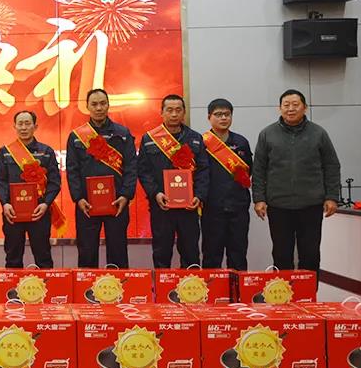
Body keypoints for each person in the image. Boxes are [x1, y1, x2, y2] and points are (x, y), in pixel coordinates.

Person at [252, 89, 341, 272]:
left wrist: (332, 196)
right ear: (280, 108)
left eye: (295, 104)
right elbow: (259, 169)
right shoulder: (267, 134)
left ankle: (309, 291)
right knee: (281, 254)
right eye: (286, 105)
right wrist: (259, 199)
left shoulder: (318, 133)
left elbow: (332, 166)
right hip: (278, 205)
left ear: (305, 107)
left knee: (310, 254)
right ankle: (282, 290)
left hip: (311, 205)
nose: (290, 109)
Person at [66, 88, 138, 268]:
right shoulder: (76, 137)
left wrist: (126, 195)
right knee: (87, 251)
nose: (99, 108)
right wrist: (78, 198)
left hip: (117, 203)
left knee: (118, 250)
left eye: (102, 103)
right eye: (94, 104)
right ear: (87, 107)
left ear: (108, 105)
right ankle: (87, 285)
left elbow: (131, 167)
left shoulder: (122, 134)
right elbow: (72, 170)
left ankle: (118, 285)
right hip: (87, 204)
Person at [138, 94, 209, 268]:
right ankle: (162, 285)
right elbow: (144, 171)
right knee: (161, 252)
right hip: (162, 206)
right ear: (161, 113)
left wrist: (199, 196)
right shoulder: (149, 139)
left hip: (189, 207)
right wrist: (155, 193)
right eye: (169, 110)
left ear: (184, 112)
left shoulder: (195, 139)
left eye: (178, 110)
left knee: (190, 252)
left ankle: (191, 284)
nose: (174, 114)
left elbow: (203, 170)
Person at [0, 110, 61, 268]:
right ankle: (13, 284)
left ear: (35, 126)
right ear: (14, 126)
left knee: (43, 256)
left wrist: (45, 204)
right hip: (13, 212)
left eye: (27, 123)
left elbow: (54, 182)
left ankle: (46, 283)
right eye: (20, 124)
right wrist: (5, 204)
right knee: (13, 256)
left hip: (39, 211)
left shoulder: (46, 152)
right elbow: (0, 181)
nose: (23, 127)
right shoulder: (5, 152)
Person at [200, 99, 253, 270]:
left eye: (227, 114)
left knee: (238, 255)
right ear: (209, 117)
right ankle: (212, 288)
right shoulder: (201, 142)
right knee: (211, 256)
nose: (223, 118)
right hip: (212, 208)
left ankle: (237, 288)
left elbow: (249, 171)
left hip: (238, 207)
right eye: (218, 114)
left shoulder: (241, 142)